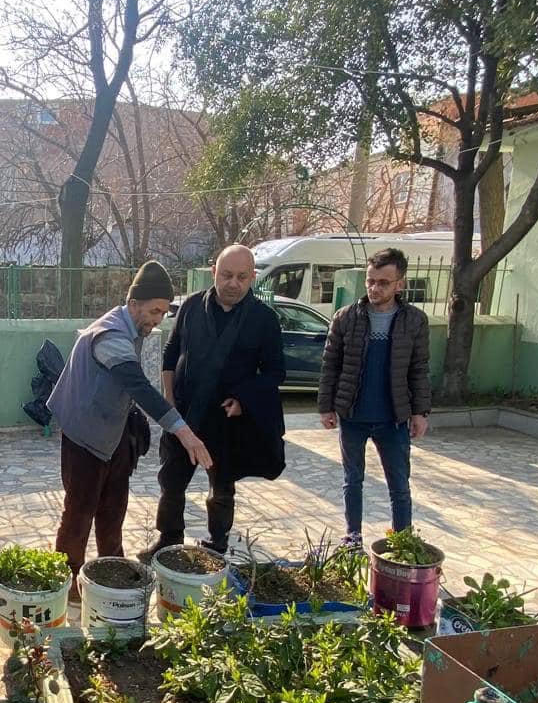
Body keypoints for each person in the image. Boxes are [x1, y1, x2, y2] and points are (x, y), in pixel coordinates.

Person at [49, 261, 211, 593]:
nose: (157, 319)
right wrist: (183, 431)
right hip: (84, 436)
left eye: (163, 313)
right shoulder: (108, 335)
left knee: (113, 509)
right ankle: (68, 584)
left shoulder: (132, 328)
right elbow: (138, 386)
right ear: (133, 303)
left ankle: (114, 573)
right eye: (153, 310)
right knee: (79, 513)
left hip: (113, 434)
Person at [143, 244, 286, 559]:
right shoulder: (191, 306)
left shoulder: (263, 319)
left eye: (242, 277)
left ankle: (217, 543)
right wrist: (169, 401)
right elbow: (171, 351)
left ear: (252, 278)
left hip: (226, 421)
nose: (233, 283)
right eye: (227, 275)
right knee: (171, 482)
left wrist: (243, 401)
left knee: (221, 488)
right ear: (213, 273)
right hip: (183, 417)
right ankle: (168, 540)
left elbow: (275, 372)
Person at [317, 246, 432, 543]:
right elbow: (331, 365)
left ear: (399, 284)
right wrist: (326, 407)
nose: (374, 288)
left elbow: (419, 369)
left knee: (399, 485)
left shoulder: (414, 321)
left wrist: (420, 412)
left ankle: (402, 541)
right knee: (352, 481)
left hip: (393, 418)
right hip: (353, 415)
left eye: (383, 282)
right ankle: (352, 537)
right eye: (370, 281)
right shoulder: (346, 318)